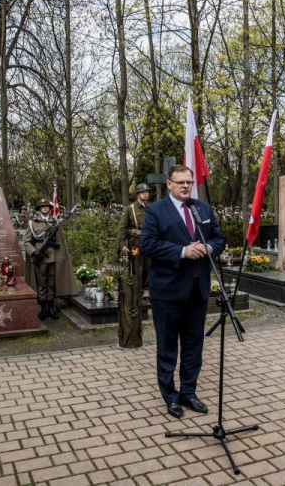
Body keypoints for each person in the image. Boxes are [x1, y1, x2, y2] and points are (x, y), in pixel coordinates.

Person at [141, 165, 225, 419]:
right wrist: (182, 251)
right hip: (167, 291)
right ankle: (170, 396)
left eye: (189, 182)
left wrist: (208, 248)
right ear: (169, 184)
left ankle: (189, 393)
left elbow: (219, 239)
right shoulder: (155, 210)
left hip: (197, 291)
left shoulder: (203, 209)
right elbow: (148, 244)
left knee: (193, 347)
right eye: (181, 183)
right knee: (167, 348)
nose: (186, 186)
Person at [23, 199, 78, 321]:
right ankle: (43, 308)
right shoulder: (33, 223)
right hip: (40, 257)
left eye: (47, 207)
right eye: (42, 207)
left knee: (51, 283)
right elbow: (26, 241)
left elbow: (60, 242)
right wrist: (34, 252)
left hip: (53, 257)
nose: (45, 208)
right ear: (39, 209)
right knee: (42, 283)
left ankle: (51, 307)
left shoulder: (55, 222)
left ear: (50, 208)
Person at [116, 183, 151, 348]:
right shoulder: (130, 209)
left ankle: (147, 291)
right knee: (136, 268)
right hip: (136, 242)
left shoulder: (152, 208)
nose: (145, 194)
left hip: (151, 242)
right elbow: (122, 228)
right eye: (142, 192)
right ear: (137, 194)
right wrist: (123, 244)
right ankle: (136, 294)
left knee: (150, 268)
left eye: (147, 192)